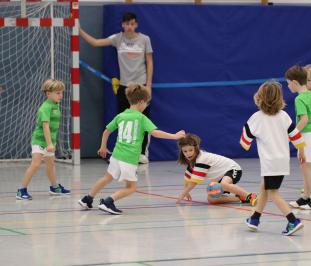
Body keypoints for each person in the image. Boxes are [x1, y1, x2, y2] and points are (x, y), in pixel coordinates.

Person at [78, 84, 185, 215]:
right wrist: (175, 136)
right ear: (141, 102)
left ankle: (87, 199)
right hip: (129, 158)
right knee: (131, 187)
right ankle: (108, 202)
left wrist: (103, 147)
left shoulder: (121, 116)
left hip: (116, 155)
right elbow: (155, 133)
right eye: (146, 103)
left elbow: (106, 131)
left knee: (107, 177)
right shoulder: (141, 118)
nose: (146, 106)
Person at [79, 12, 153, 164]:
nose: (129, 27)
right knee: (122, 121)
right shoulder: (117, 39)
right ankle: (122, 153)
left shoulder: (145, 39)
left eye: (132, 24)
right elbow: (95, 42)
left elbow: (150, 62)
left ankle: (142, 153)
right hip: (124, 88)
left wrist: (148, 85)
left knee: (143, 121)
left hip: (141, 86)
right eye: (126, 24)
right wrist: (78, 30)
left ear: (136, 24)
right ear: (122, 25)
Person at [241, 81, 305, 235]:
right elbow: (296, 136)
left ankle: (293, 220)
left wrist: (248, 139)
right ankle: (254, 219)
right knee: (264, 187)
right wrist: (301, 150)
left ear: (259, 98)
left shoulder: (255, 118)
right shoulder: (284, 116)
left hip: (270, 162)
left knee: (273, 192)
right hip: (282, 161)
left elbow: (245, 143)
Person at [16, 79, 70, 200]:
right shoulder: (45, 107)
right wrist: (49, 143)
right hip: (40, 141)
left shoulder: (55, 105)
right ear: (48, 93)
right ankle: (21, 190)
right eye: (58, 93)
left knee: (50, 165)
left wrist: (52, 142)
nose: (61, 96)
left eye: (61, 93)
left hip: (50, 142)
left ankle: (54, 187)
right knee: (35, 165)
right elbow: (45, 126)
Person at [285, 65, 311, 210]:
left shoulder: (300, 98)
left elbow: (304, 119)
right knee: (307, 169)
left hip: (307, 137)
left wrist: (293, 133)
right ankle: (305, 198)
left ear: (295, 82)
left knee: (308, 170)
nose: (288, 86)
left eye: (288, 83)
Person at [176, 134, 257, 205]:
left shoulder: (201, 159)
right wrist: (185, 190)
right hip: (220, 177)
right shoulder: (192, 162)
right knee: (211, 199)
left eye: (190, 150)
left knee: (224, 184)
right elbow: (187, 178)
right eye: (185, 151)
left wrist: (183, 193)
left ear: (196, 148)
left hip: (233, 169)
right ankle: (241, 198)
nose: (188, 153)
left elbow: (194, 181)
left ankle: (250, 196)